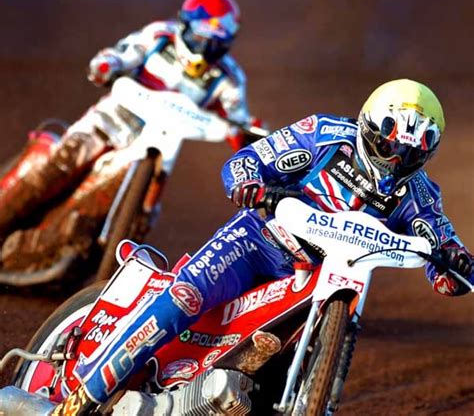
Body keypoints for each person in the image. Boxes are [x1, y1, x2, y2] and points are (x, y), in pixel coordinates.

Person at [51, 79, 473, 415]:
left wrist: (456, 267)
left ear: (427, 152)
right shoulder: (324, 133)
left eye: (409, 153)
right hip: (259, 241)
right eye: (389, 145)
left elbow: (445, 256)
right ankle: (86, 394)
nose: (394, 160)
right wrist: (252, 186)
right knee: (185, 295)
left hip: (321, 282)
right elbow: (246, 162)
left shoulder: (421, 196)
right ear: (368, 127)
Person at [0, 0, 263, 272]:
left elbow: (240, 121)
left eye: (216, 41)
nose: (205, 46)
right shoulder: (160, 37)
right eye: (201, 35)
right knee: (57, 164)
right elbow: (122, 55)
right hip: (109, 121)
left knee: (111, 204)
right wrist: (106, 64)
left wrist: (253, 139)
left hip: (158, 148)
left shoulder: (230, 79)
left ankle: (43, 253)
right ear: (185, 24)